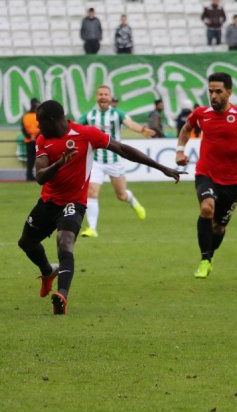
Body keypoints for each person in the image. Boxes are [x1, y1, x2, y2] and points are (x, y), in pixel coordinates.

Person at [17, 100, 181, 315]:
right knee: (26, 243)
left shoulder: (86, 134)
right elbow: (39, 176)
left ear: (53, 120)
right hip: (48, 202)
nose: (38, 127)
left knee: (64, 243)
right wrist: (60, 163)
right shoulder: (43, 140)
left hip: (73, 202)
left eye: (40, 122)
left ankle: (62, 296)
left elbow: (122, 149)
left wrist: (161, 167)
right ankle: (48, 272)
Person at [175, 72, 237, 279]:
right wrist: (180, 150)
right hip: (206, 173)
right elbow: (186, 129)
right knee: (206, 208)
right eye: (210, 91)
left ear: (229, 92)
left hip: (232, 180)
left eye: (218, 91)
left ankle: (209, 256)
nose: (213, 95)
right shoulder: (201, 113)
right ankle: (204, 259)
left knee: (218, 227)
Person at [76, 85, 155, 238]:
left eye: (106, 94)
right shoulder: (89, 115)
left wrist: (142, 130)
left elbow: (130, 123)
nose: (103, 97)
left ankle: (132, 200)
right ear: (96, 97)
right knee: (91, 192)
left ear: (110, 97)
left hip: (114, 161)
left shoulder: (117, 114)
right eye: (100, 94)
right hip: (96, 161)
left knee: (121, 195)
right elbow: (74, 126)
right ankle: (92, 228)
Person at [21, 98, 40, 181]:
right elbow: (42, 127)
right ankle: (34, 175)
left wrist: (29, 136)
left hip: (30, 140)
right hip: (37, 141)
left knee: (30, 159)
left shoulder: (25, 116)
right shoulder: (38, 115)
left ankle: (29, 176)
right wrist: (35, 137)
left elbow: (23, 129)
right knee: (38, 159)